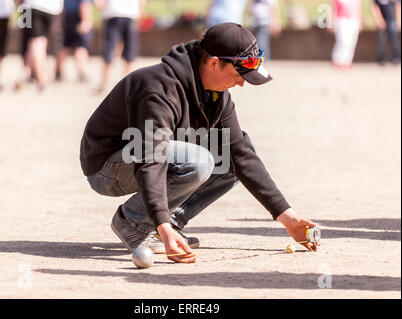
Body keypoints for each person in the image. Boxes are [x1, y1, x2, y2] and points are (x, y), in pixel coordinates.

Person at [80, 23, 320, 264]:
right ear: (214, 62)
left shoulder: (216, 94)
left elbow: (241, 153)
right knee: (198, 161)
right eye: (238, 75)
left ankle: (172, 222)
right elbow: (151, 157)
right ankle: (134, 222)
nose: (241, 84)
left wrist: (289, 218)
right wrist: (161, 227)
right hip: (109, 167)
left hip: (150, 157)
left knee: (230, 159)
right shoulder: (158, 88)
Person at [94, 0, 146, 93]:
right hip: (115, 14)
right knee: (110, 51)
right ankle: (105, 83)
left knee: (128, 52)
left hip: (127, 14)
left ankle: (126, 84)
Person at [15, 0, 64, 91]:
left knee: (33, 43)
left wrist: (18, 6)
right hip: (51, 8)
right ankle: (26, 72)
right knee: (40, 42)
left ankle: (40, 79)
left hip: (29, 8)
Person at [55, 0, 94, 82]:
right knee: (80, 48)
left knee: (64, 48)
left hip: (67, 20)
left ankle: (58, 72)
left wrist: (59, 22)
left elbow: (62, 8)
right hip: (79, 20)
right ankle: (81, 72)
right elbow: (84, 5)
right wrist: (86, 20)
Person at [331, 0, 362, 70]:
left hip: (354, 20)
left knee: (352, 42)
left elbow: (358, 9)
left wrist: (360, 21)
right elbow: (334, 9)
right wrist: (332, 22)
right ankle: (338, 60)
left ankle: (347, 61)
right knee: (343, 41)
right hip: (341, 20)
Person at [371, 0, 401, 65]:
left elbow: (398, 6)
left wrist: (398, 20)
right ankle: (382, 59)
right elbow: (375, 7)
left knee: (394, 40)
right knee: (382, 40)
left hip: (393, 20)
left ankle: (396, 58)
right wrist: (379, 20)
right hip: (383, 21)